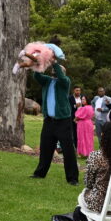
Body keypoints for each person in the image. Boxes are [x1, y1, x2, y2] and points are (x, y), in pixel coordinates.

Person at [23, 47, 79, 185]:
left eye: (58, 69)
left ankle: (72, 179)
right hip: (49, 121)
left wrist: (54, 61)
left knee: (68, 150)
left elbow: (60, 74)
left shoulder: (64, 82)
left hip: (63, 121)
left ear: (62, 73)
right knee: (46, 148)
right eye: (54, 69)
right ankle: (40, 173)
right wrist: (37, 63)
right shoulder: (47, 81)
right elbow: (36, 76)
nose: (54, 70)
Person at [72, 121, 111, 221]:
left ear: (103, 136)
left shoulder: (96, 156)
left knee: (80, 205)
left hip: (100, 204)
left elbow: (89, 183)